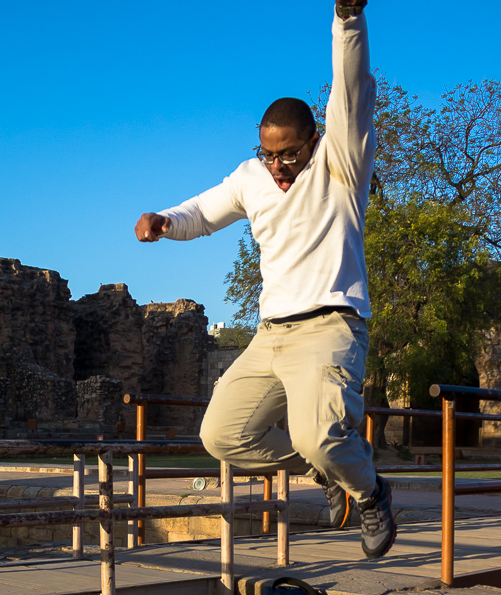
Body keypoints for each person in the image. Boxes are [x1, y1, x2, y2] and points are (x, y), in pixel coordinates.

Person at [134, 1, 395, 560]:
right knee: (222, 435)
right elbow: (203, 211)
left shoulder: (340, 163)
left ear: (313, 140)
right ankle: (328, 471)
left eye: (289, 154)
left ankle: (370, 490)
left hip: (331, 326)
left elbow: (352, 88)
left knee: (319, 435)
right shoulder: (251, 177)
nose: (277, 166)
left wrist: (347, 20)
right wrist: (165, 221)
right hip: (271, 334)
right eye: (268, 153)